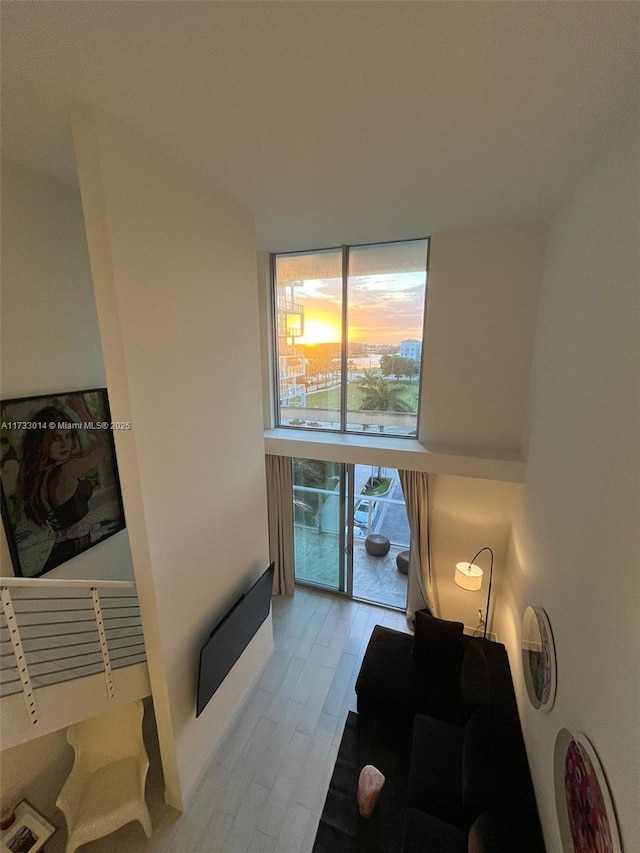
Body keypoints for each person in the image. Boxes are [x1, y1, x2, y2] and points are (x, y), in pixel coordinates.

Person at [17, 393, 109, 574]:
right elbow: (102, 447)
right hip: (73, 548)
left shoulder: (43, 473)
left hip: (66, 548)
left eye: (68, 436)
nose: (64, 444)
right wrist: (81, 409)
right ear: (42, 441)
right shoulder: (66, 471)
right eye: (55, 438)